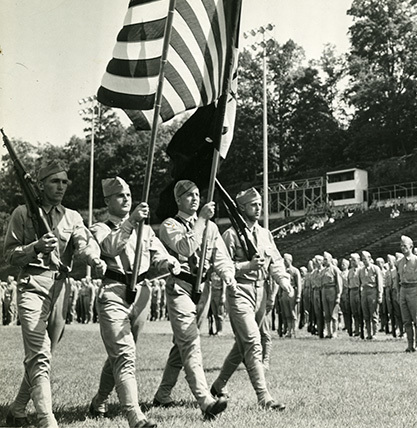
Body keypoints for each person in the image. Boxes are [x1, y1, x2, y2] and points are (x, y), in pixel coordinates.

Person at [4, 161, 103, 428]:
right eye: (54, 181)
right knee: (40, 353)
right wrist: (35, 247)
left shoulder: (72, 216)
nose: (61, 187)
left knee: (45, 354)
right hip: (32, 285)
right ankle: (47, 419)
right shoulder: (22, 213)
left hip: (60, 288)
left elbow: (83, 243)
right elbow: (9, 255)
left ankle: (17, 410)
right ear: (40, 184)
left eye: (64, 182)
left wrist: (93, 259)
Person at [88, 177, 179, 428]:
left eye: (128, 194)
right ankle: (134, 415)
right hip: (114, 293)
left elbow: (158, 259)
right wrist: (131, 222)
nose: (126, 198)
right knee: (125, 355)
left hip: (140, 295)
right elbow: (109, 248)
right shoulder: (100, 228)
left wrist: (169, 264)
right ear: (107, 201)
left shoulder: (145, 230)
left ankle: (99, 401)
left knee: (120, 354)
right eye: (119, 195)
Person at [152, 180, 235, 421]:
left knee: (181, 344)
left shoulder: (209, 227)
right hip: (181, 286)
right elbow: (186, 248)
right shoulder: (169, 225)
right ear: (178, 200)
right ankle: (205, 401)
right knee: (190, 342)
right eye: (189, 196)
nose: (195, 199)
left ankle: (163, 394)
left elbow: (220, 256)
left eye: (197, 194)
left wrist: (228, 275)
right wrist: (201, 221)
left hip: (204, 289)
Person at [210, 187, 293, 411]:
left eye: (259, 204)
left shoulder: (265, 234)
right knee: (253, 342)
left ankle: (218, 385)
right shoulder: (230, 235)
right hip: (239, 291)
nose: (259, 208)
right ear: (242, 208)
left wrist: (284, 281)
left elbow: (275, 260)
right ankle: (264, 397)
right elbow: (221, 266)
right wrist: (247, 265)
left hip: (261, 292)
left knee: (242, 345)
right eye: (253, 205)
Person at [396, 237, 417, 352]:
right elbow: (397, 279)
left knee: (416, 319)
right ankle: (410, 345)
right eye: (401, 246)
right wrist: (398, 292)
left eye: (405, 246)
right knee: (406, 320)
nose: (402, 248)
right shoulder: (399, 262)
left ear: (411, 246)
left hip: (414, 289)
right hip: (403, 290)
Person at [358, 251, 383, 340]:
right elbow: (359, 283)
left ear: (370, 258)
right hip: (364, 292)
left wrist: (380, 295)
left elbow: (379, 282)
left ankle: (374, 333)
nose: (364, 261)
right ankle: (368, 333)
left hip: (373, 291)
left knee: (374, 313)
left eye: (366, 259)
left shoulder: (375, 268)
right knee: (366, 314)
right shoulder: (361, 270)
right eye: (363, 259)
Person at [321, 251, 342, 338]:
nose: (324, 261)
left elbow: (339, 283)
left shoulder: (335, 270)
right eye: (324, 259)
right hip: (324, 290)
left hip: (332, 290)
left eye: (326, 259)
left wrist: (338, 295)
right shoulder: (323, 270)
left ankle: (334, 332)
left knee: (333, 313)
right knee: (327, 313)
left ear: (330, 259)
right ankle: (328, 332)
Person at [281, 253, 301, 338]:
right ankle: (289, 330)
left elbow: (299, 284)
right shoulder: (282, 271)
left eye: (285, 260)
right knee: (287, 313)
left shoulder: (295, 271)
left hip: (292, 291)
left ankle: (294, 330)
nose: (284, 262)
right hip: (284, 292)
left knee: (293, 312)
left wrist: (298, 295)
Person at [347, 253, 363, 338]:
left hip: (358, 291)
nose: (352, 262)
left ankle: (362, 329)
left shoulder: (361, 270)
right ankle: (356, 329)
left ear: (358, 260)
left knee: (360, 311)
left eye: (354, 260)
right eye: (351, 260)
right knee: (354, 312)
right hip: (352, 291)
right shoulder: (350, 271)